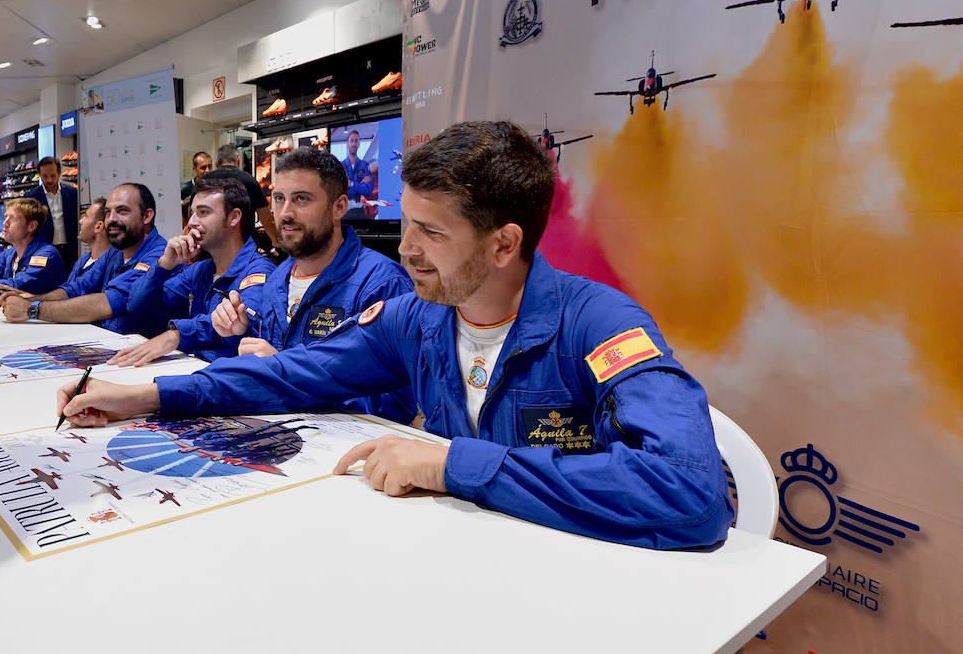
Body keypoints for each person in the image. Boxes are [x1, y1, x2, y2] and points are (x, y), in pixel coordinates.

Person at [59, 122, 733, 550]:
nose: (406, 250)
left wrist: (450, 465)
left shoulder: (602, 324)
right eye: (406, 224)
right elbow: (293, 374)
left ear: (504, 244)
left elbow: (691, 493)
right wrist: (147, 394)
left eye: (431, 233)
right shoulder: (422, 314)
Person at [210, 147, 415, 422]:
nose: (285, 213)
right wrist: (238, 332)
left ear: (339, 207)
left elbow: (396, 408)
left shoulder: (383, 285)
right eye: (279, 199)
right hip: (279, 437)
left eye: (302, 199)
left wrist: (284, 369)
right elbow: (266, 360)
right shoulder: (277, 280)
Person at [111, 177, 274, 366]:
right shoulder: (200, 270)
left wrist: (176, 336)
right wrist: (164, 265)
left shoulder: (259, 271)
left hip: (225, 381)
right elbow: (135, 304)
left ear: (234, 217)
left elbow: (235, 322)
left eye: (203, 212)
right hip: (194, 371)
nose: (192, 222)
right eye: (192, 213)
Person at [0, 183, 167, 336]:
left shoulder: (159, 255)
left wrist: (31, 309)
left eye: (122, 211)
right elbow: (77, 288)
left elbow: (108, 303)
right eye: (107, 213)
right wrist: (28, 301)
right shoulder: (115, 252)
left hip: (140, 359)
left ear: (146, 216)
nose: (111, 220)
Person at [205, 143, 279, 250]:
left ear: (217, 163)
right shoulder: (250, 181)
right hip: (244, 248)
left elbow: (193, 217)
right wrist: (275, 241)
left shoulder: (203, 182)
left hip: (211, 247)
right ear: (238, 160)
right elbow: (266, 220)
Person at [23, 155, 79, 267]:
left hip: (70, 250)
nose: (49, 180)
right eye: (45, 176)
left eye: (53, 175)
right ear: (39, 175)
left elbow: (76, 221)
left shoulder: (73, 193)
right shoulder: (31, 197)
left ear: (59, 173)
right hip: (43, 250)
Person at [66, 197, 109, 284]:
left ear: (98, 226)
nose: (80, 221)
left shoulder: (110, 266)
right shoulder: (83, 260)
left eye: (86, 216)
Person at [341, 128, 375, 220]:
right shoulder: (341, 166)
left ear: (359, 144)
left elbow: (367, 191)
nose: (354, 143)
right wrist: (360, 185)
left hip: (361, 213)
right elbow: (341, 189)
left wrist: (351, 184)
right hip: (345, 213)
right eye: (351, 141)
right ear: (347, 144)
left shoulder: (365, 165)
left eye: (356, 141)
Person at [178, 150, 212, 218]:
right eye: (203, 168)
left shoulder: (215, 187)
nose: (207, 171)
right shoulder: (185, 189)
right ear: (195, 168)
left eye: (210, 166)